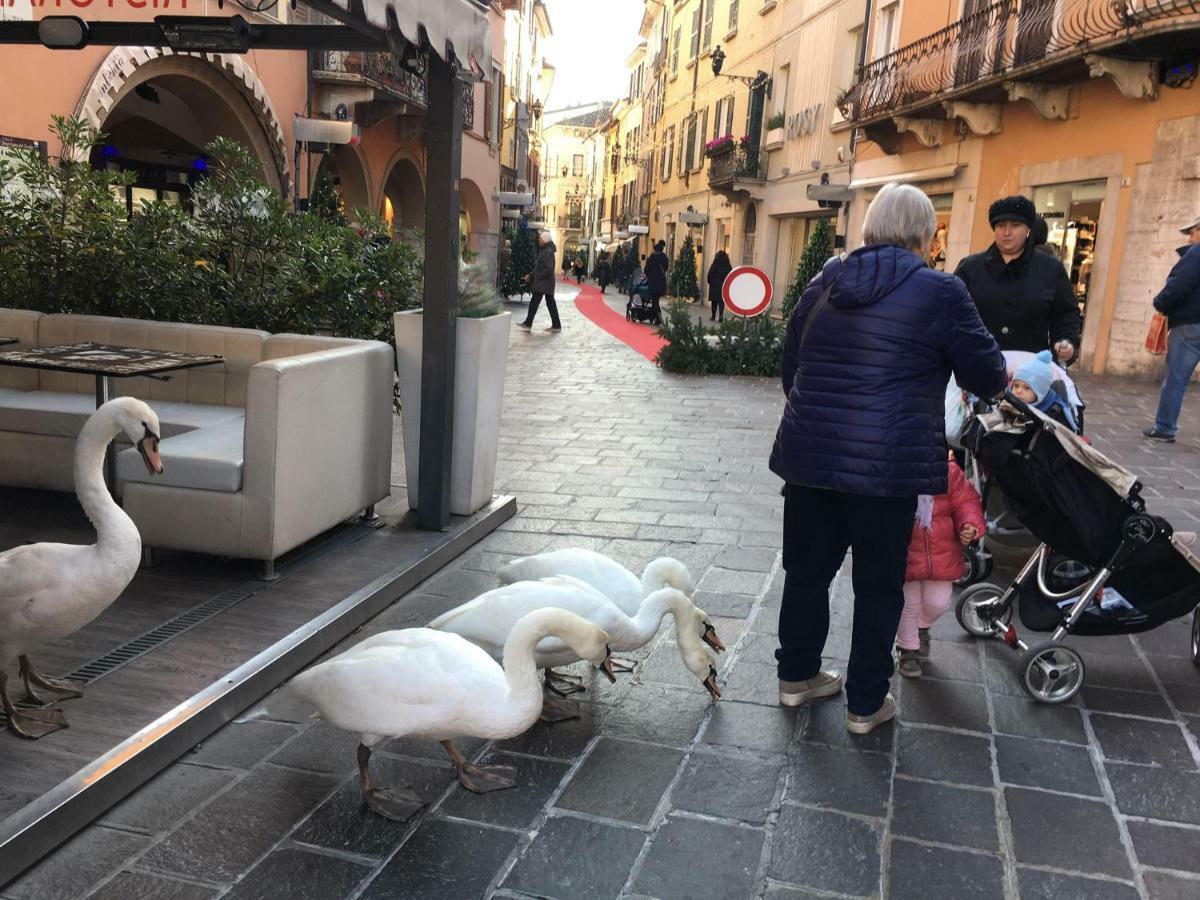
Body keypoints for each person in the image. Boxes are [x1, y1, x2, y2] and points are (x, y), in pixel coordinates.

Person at [770, 183, 1006, 735]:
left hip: (811, 460)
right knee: (878, 586)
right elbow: (987, 376)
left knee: (806, 573)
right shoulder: (941, 292)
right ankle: (865, 703)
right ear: (926, 234)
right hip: (890, 467)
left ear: (869, 227)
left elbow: (792, 367)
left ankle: (796, 678)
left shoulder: (824, 281)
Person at [955, 195, 1081, 364]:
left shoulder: (1051, 269)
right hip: (977, 366)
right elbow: (952, 312)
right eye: (1000, 226)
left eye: (1015, 225)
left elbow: (1066, 314)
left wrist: (1067, 341)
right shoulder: (970, 268)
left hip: (1030, 374)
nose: (1007, 233)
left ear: (1028, 228)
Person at [897, 455, 984, 678]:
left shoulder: (948, 472)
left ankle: (921, 626)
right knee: (908, 603)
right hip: (907, 552)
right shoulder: (899, 468)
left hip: (942, 553)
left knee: (938, 602)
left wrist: (970, 525)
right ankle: (908, 647)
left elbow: (966, 501)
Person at [1144, 214, 1200, 443]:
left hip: (1190, 324)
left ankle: (1165, 427)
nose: (1190, 239)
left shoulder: (1197, 254)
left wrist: (1160, 303)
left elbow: (1178, 286)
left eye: (1193, 232)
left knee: (1176, 378)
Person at [1011, 349, 1080, 432]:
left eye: (1026, 388)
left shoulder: (1054, 413)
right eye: (1016, 386)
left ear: (1041, 391)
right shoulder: (1007, 403)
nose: (1018, 391)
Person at [519, 230, 561, 332]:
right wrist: (530, 275)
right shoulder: (546, 250)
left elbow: (549, 269)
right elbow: (539, 268)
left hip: (544, 283)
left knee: (535, 302)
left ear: (545, 240)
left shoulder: (547, 252)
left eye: (540, 238)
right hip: (546, 283)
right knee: (550, 303)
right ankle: (556, 325)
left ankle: (528, 323)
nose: (539, 240)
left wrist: (538, 277)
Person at [644, 240, 669, 326]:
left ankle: (658, 318)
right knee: (656, 300)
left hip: (653, 284)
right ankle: (656, 317)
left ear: (655, 250)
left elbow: (646, 271)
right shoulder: (665, 259)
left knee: (655, 301)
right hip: (661, 283)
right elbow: (665, 269)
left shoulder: (651, 259)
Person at [706, 250, 733, 323]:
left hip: (714, 285)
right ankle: (721, 315)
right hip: (723, 285)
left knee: (714, 301)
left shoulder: (714, 265)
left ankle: (713, 316)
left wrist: (710, 281)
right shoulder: (728, 266)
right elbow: (730, 275)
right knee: (721, 301)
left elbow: (710, 274)